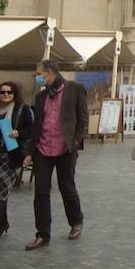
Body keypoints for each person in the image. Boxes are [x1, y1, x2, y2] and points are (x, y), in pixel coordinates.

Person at [22, 60, 88, 250]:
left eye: (39, 73)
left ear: (50, 72)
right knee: (40, 191)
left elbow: (82, 118)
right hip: (43, 149)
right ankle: (42, 234)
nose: (37, 77)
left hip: (65, 148)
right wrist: (29, 152)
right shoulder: (41, 96)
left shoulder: (75, 88)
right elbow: (37, 126)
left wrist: (75, 141)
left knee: (66, 186)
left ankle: (76, 221)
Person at [0, 81, 34, 243]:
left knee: (1, 191)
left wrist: (19, 133)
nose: (6, 95)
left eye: (10, 92)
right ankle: (3, 222)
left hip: (9, 155)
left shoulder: (21, 109)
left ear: (14, 94)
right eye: (3, 92)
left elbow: (31, 130)